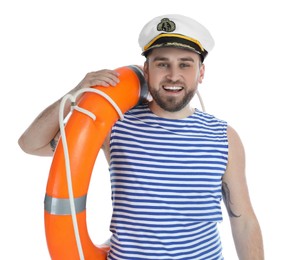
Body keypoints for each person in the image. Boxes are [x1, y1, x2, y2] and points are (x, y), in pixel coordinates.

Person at [18, 14, 264, 259]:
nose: (173, 75)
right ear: (147, 70)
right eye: (162, 63)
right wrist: (75, 94)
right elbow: (30, 144)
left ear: (201, 73)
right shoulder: (114, 126)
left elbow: (243, 222)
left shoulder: (224, 137)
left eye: (185, 64)